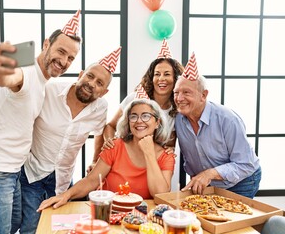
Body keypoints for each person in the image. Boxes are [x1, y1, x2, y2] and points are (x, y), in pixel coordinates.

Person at [0, 10, 82, 234]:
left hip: (12, 171)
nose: (64, 61)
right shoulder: (27, 72)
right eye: (61, 51)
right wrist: (0, 70)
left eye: (71, 58)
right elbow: (10, 78)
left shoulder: (43, 82)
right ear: (46, 44)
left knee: (14, 225)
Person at [19, 47, 122, 233]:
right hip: (32, 174)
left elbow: (100, 131)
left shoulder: (100, 108)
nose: (91, 84)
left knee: (66, 228)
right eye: (90, 76)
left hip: (63, 179)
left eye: (99, 83)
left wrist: (94, 160)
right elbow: (24, 120)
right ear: (81, 74)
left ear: (104, 92)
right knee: (32, 228)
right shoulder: (49, 91)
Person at [36, 98, 176, 211]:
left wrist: (149, 153)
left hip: (143, 219)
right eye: (133, 116)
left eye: (146, 116)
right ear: (128, 122)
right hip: (107, 212)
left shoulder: (166, 156)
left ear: (157, 122)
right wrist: (65, 195)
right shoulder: (114, 146)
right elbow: (91, 181)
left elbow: (159, 195)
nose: (139, 121)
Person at [174, 52, 261, 198]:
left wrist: (209, 173)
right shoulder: (178, 119)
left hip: (242, 182)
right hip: (207, 183)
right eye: (176, 93)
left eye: (186, 92)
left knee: (231, 220)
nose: (179, 98)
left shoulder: (228, 119)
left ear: (204, 95)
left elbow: (246, 164)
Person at [88, 39, 184, 172]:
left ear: (176, 79)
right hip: (123, 160)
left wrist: (169, 150)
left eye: (167, 74)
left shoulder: (177, 109)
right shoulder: (135, 98)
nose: (161, 78)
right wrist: (111, 145)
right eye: (157, 74)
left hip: (151, 164)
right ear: (151, 77)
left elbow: (169, 143)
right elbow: (110, 126)